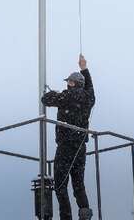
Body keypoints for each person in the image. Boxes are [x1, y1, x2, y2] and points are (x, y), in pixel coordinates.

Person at [42, 54, 95, 220]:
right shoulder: (89, 98)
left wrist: (54, 93)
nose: (67, 84)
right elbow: (90, 87)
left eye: (69, 82)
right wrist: (84, 68)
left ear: (74, 84)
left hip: (66, 147)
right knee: (78, 186)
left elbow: (45, 99)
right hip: (80, 148)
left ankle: (66, 218)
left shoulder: (67, 96)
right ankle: (85, 215)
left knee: (60, 185)